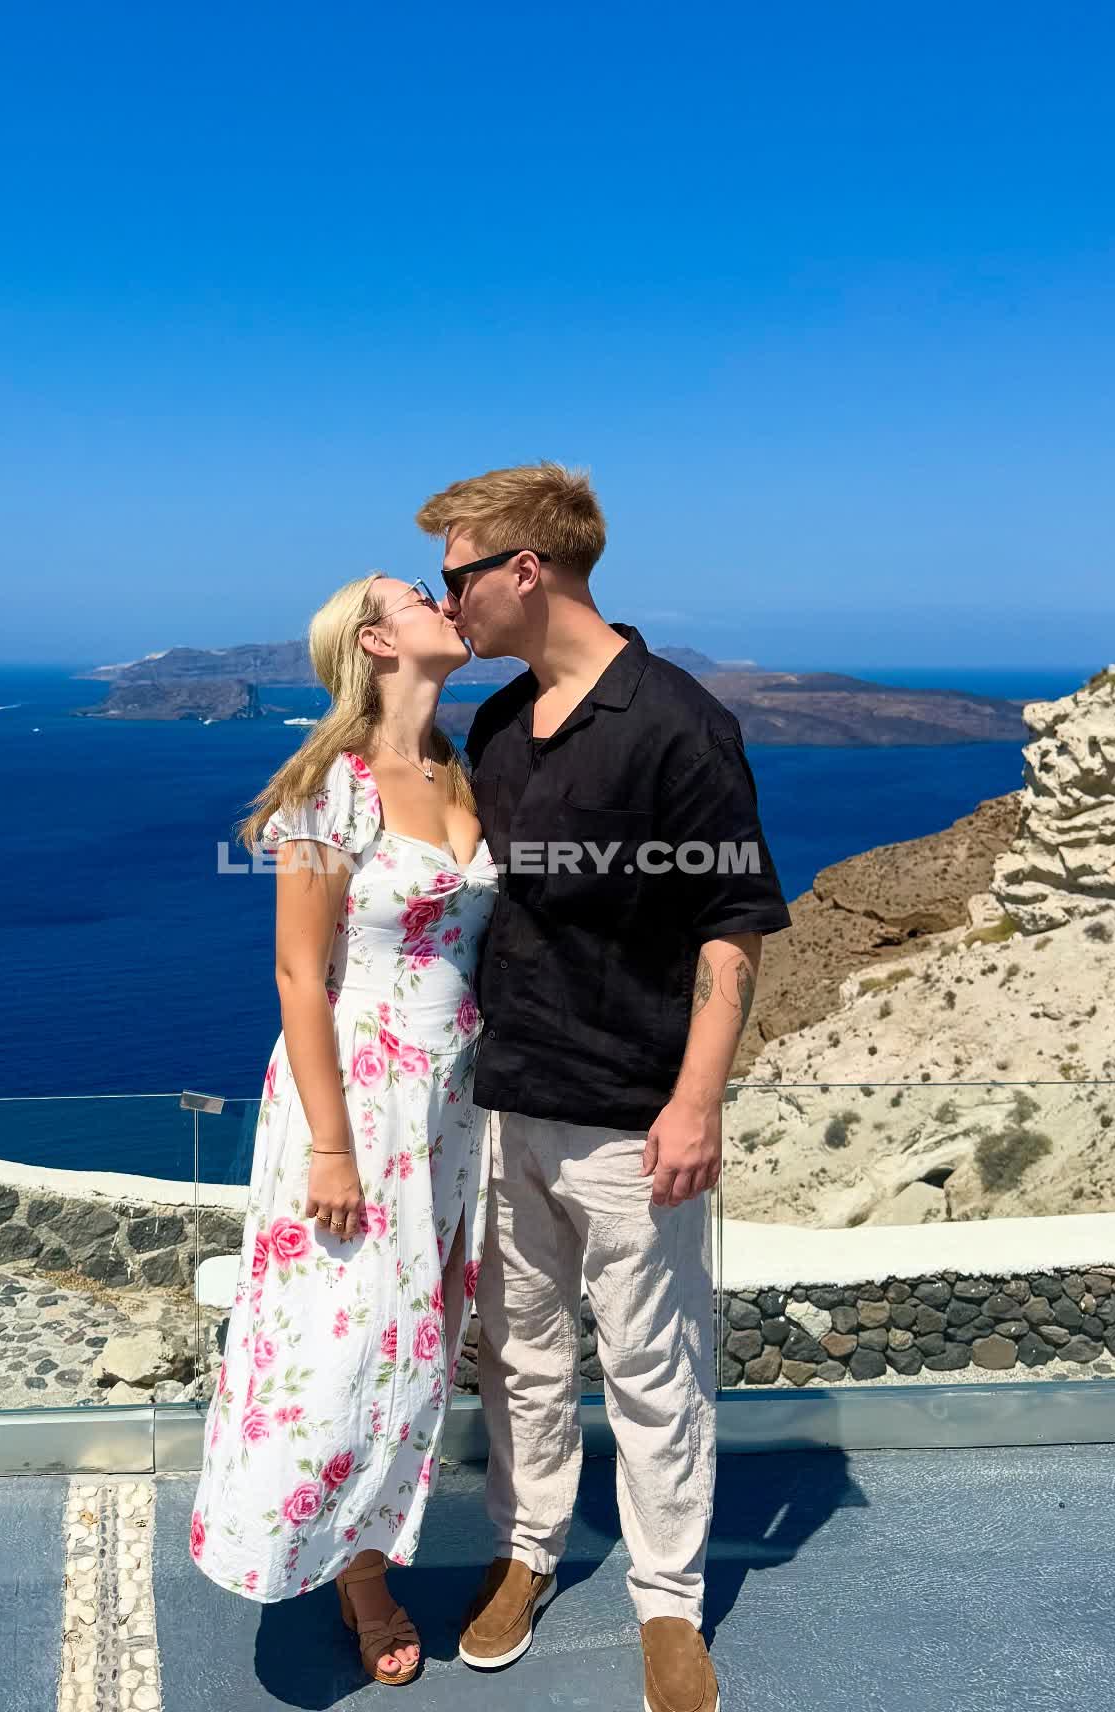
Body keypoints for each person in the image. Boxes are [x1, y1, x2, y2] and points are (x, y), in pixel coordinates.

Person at [414, 463, 792, 1712]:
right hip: (507, 1102)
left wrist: (698, 1100)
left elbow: (732, 925)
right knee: (520, 1357)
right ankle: (525, 1552)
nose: (446, 599)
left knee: (652, 1368)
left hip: (634, 1113)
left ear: (526, 569)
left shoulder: (679, 722)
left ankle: (669, 1603)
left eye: (457, 574)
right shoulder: (495, 725)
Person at [188, 572, 498, 1688]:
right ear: (376, 639)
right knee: (336, 1347)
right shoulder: (331, 786)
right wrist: (330, 1144)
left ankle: (366, 1549)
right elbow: (297, 973)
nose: (446, 600)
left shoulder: (460, 765)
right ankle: (347, 1578)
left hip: (451, 1104)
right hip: (357, 1101)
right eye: (418, 595)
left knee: (414, 1348)